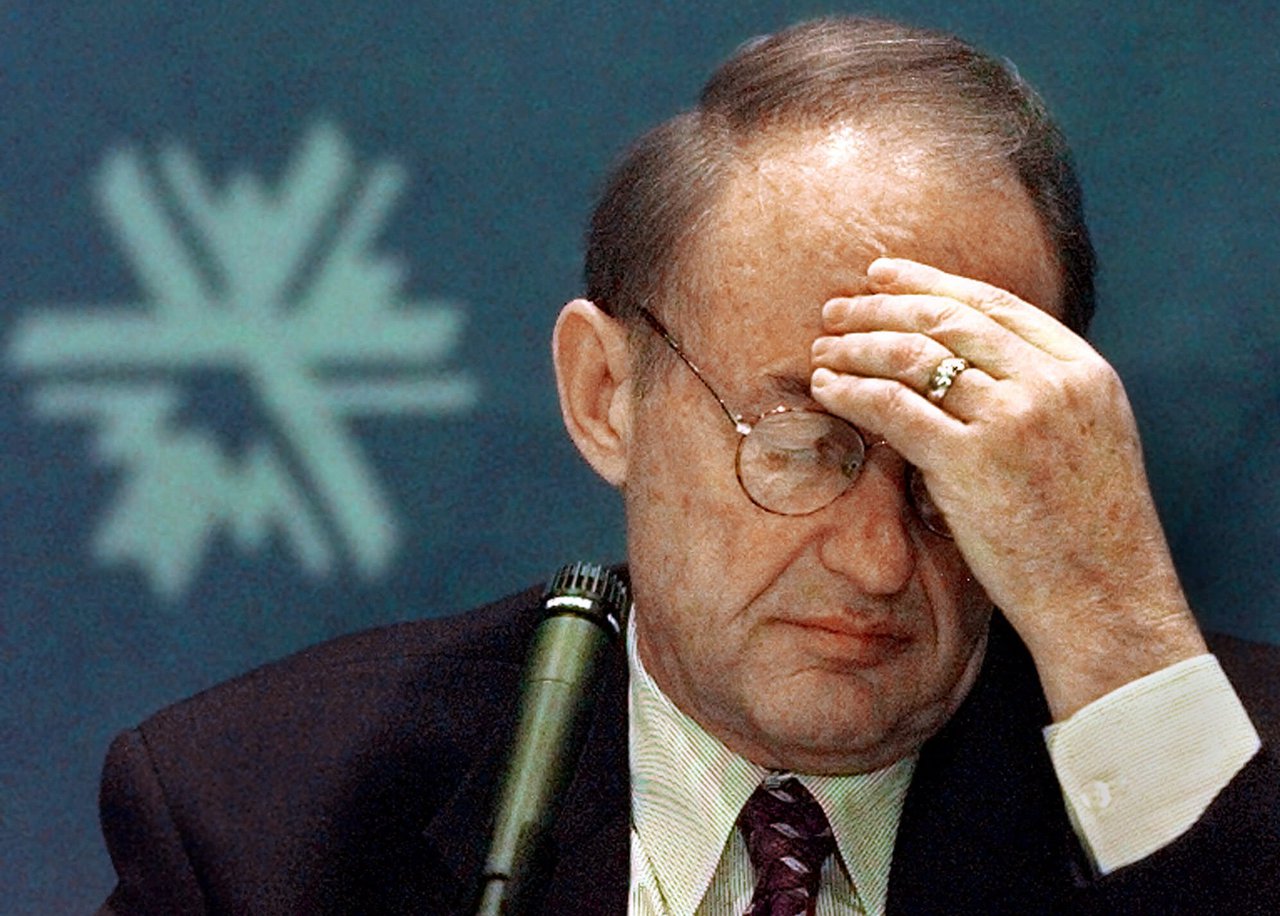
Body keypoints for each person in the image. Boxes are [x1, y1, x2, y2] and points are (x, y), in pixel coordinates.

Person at [97, 15, 1278, 915]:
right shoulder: (263, 822)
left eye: (949, 468)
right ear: (606, 397)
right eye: (803, 444)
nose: (876, 560)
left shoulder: (1227, 805)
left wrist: (1112, 626)